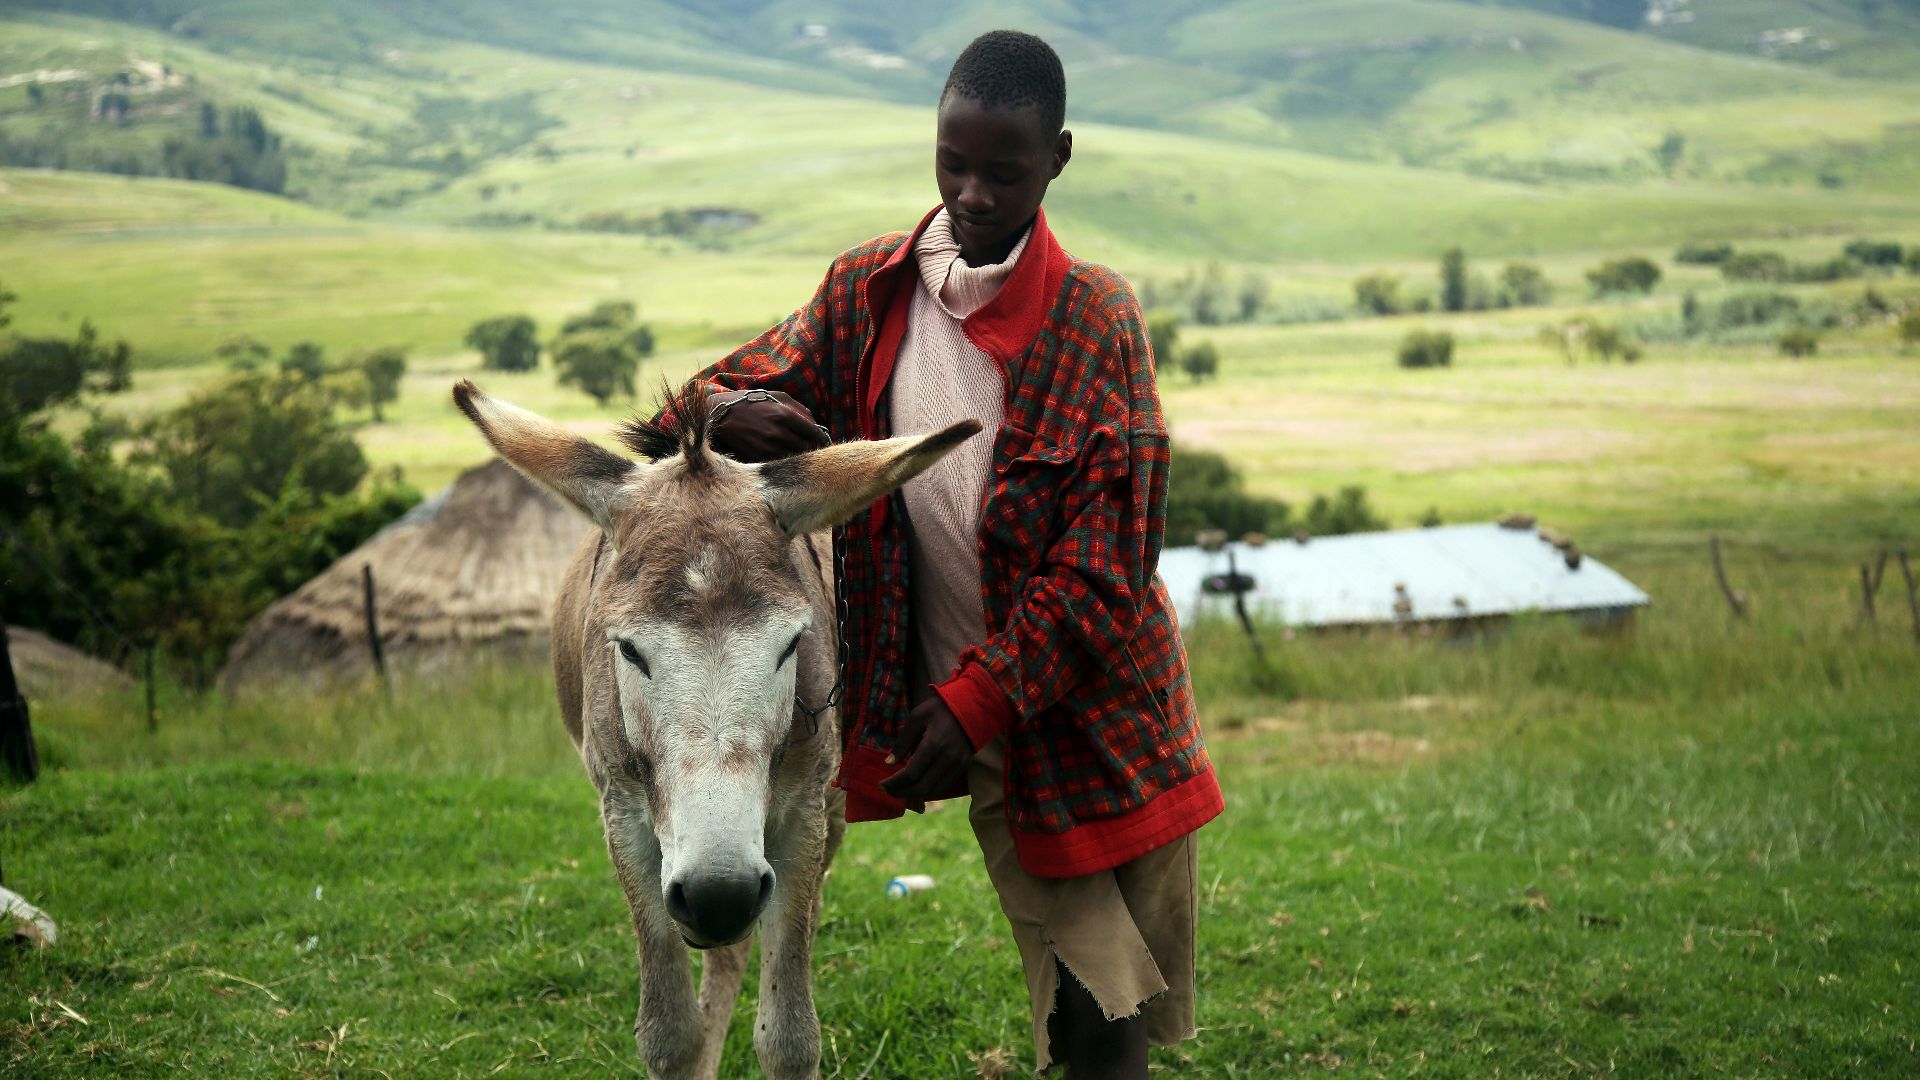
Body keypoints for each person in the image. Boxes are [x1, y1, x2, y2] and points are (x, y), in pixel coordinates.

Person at [681, 30, 1224, 1077]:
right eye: (952, 164)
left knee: (1101, 1008)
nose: (973, 194)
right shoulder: (870, 291)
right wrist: (724, 410)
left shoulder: (1095, 319)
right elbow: (702, 399)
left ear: (1058, 158)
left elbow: (1106, 570)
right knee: (1091, 993)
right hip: (948, 695)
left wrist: (979, 701)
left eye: (1004, 172)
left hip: (1086, 714)